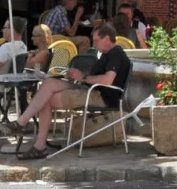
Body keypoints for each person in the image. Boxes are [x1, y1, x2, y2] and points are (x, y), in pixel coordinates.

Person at [7, 22, 134, 160]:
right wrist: (76, 77)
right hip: (89, 88)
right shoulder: (106, 53)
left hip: (101, 96)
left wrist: (83, 77)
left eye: (96, 40)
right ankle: (22, 124)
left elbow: (107, 80)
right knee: (49, 83)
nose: (94, 44)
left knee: (47, 99)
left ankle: (38, 144)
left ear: (107, 39)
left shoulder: (116, 54)